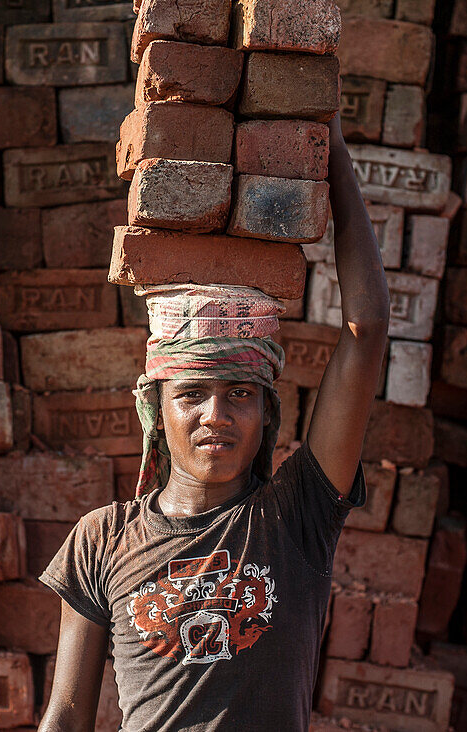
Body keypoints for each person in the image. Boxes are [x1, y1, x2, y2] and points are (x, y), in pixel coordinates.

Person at [37, 112, 391, 731]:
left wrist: (331, 148)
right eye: (192, 395)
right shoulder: (103, 541)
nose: (216, 417)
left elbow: (367, 332)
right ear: (156, 406)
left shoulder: (295, 515)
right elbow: (65, 717)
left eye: (240, 395)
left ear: (266, 410)